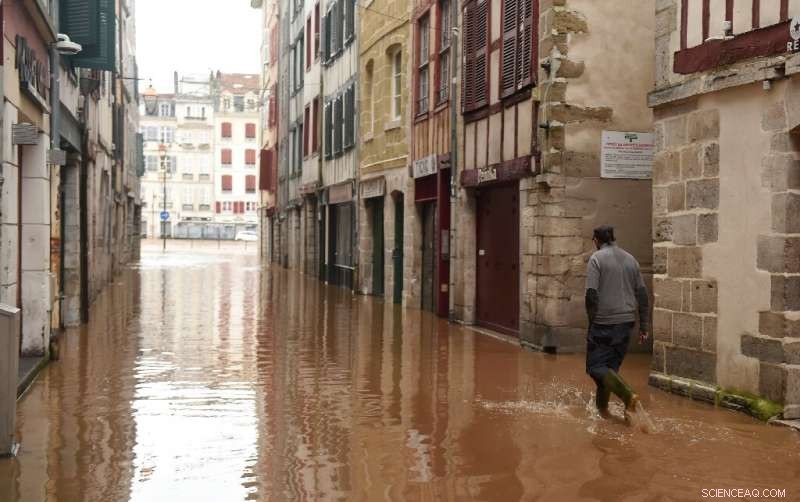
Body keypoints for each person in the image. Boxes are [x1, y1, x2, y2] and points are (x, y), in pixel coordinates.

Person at [585, 225, 650, 426]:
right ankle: (603, 412)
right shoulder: (631, 260)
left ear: (596, 240)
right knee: (609, 370)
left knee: (595, 367)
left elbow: (591, 295)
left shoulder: (596, 259)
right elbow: (642, 294)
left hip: (604, 323)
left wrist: (591, 324)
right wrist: (644, 326)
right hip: (626, 324)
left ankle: (629, 397)